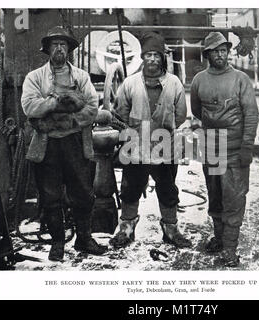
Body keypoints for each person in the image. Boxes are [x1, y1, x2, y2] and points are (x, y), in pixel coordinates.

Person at [21, 26, 106, 261]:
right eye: (54, 44)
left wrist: (70, 120)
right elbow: (29, 107)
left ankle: (84, 239)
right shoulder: (34, 77)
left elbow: (91, 106)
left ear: (68, 49)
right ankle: (57, 242)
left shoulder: (81, 77)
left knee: (83, 193)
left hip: (76, 143)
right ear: (47, 49)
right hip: (47, 145)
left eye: (63, 44)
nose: (59, 48)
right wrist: (58, 101)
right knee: (50, 196)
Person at [110, 32, 191, 249]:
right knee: (130, 187)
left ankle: (171, 229)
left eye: (157, 55)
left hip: (165, 145)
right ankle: (126, 227)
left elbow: (181, 114)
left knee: (167, 188)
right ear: (142, 57)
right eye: (148, 55)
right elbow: (120, 114)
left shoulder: (174, 83)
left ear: (163, 57)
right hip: (135, 145)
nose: (153, 59)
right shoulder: (129, 83)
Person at [190, 32, 259, 267]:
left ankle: (230, 248)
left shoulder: (240, 79)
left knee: (234, 198)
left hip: (234, 150)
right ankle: (219, 238)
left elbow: (251, 115)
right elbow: (197, 111)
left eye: (224, 50)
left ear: (228, 52)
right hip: (211, 149)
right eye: (215, 51)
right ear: (207, 54)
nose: (220, 54)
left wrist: (247, 147)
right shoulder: (199, 79)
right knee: (215, 196)